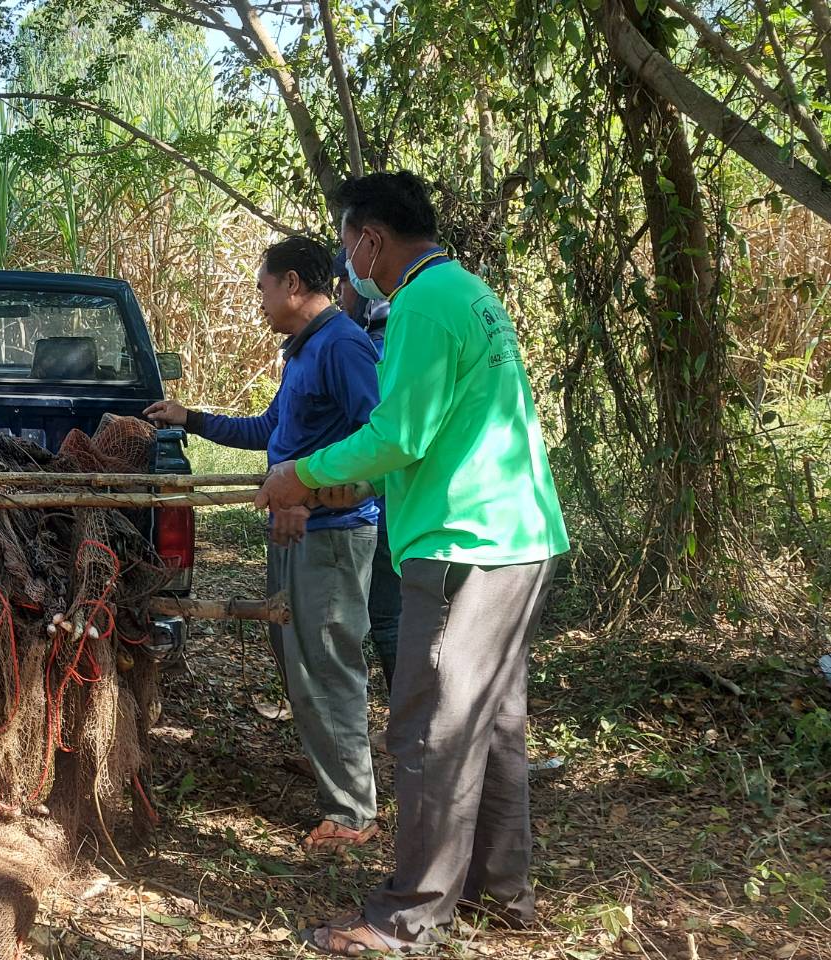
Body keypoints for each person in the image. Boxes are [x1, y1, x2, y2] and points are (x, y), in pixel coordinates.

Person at [256, 171, 569, 955]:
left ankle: (407, 915)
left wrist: (302, 474)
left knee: (431, 727)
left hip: (464, 544)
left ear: (369, 238)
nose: (345, 260)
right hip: (516, 534)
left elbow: (400, 433)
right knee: (491, 723)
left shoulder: (424, 303)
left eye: (346, 243)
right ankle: (501, 892)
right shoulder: (467, 291)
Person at [146, 236, 384, 852]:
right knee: (298, 661)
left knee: (326, 664)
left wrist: (308, 498)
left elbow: (378, 446)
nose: (259, 298)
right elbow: (270, 430)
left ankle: (353, 813)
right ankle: (331, 762)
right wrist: (189, 418)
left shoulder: (343, 346)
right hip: (294, 529)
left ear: (295, 286)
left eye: (263, 286)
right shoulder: (302, 353)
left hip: (330, 535)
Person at [333, 247, 401, 690]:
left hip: (380, 498)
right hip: (387, 494)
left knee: (387, 617)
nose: (343, 293)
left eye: (346, 283)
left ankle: (410, 728)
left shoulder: (367, 346)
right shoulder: (388, 334)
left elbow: (379, 432)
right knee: (390, 616)